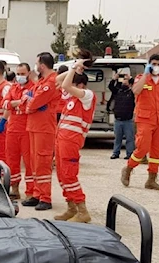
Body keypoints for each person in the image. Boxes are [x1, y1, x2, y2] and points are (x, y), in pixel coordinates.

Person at [121, 54, 159, 191]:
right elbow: (135, 91)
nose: (156, 66)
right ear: (149, 64)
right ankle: (128, 168)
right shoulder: (141, 79)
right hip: (145, 119)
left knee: (157, 151)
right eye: (154, 63)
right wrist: (146, 75)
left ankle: (151, 180)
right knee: (142, 148)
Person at [53, 51, 97, 223]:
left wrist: (73, 68)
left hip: (71, 139)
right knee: (62, 175)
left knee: (69, 174)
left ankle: (82, 210)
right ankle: (71, 207)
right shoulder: (72, 95)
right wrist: (77, 66)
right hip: (62, 137)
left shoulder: (87, 95)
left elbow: (64, 85)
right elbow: (59, 81)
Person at [22, 52, 60, 211]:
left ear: (42, 65)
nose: (36, 66)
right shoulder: (42, 81)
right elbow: (27, 103)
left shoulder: (50, 82)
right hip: (34, 126)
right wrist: (30, 103)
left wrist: (30, 103)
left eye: (37, 63)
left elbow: (33, 102)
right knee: (34, 162)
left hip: (44, 128)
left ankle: (45, 197)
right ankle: (37, 194)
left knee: (43, 162)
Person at [3, 63, 35, 200]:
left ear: (29, 73)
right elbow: (4, 104)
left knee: (29, 162)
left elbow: (30, 104)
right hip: (12, 128)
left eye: (23, 74)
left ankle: (30, 192)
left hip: (26, 129)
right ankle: (14, 189)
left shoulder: (33, 88)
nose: (20, 76)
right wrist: (18, 102)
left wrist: (13, 103)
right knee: (12, 159)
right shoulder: (13, 87)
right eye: (19, 74)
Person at [109, 73, 136, 160]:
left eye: (126, 80)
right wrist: (114, 79)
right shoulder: (118, 91)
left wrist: (131, 78)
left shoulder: (132, 92)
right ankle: (115, 153)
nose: (124, 81)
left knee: (129, 139)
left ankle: (130, 154)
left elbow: (136, 85)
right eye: (123, 80)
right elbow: (111, 87)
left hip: (128, 120)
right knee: (117, 138)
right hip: (118, 119)